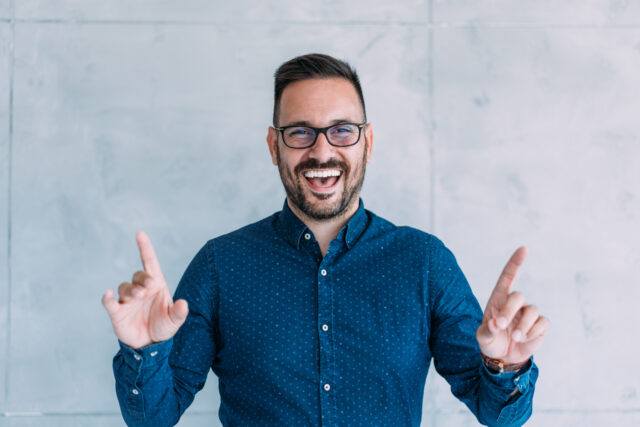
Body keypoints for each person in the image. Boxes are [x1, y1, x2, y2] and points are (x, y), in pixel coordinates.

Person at [102, 53, 549, 426]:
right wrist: (144, 351)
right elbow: (153, 417)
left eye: (341, 130)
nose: (321, 151)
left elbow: (500, 415)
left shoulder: (424, 262)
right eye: (300, 132)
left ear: (367, 142)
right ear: (274, 146)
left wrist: (504, 366)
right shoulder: (221, 265)